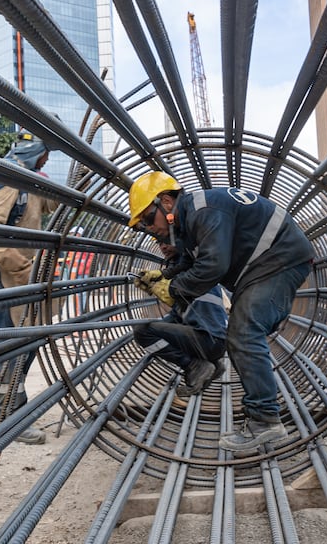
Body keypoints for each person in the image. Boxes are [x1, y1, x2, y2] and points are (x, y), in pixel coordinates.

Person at [128, 172, 315, 452]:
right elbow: (193, 259)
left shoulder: (203, 211)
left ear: (165, 202)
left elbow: (213, 264)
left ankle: (265, 420)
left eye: (147, 219)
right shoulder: (191, 221)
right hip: (264, 266)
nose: (149, 228)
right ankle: (261, 416)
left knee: (245, 331)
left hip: (279, 259)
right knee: (242, 332)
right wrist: (164, 275)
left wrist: (174, 288)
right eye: (143, 225)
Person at [0, 132, 55, 444]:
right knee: (10, 343)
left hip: (11, 271)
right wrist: (19, 265)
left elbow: (51, 203)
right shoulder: (9, 179)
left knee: (27, 339)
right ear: (36, 151)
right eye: (46, 152)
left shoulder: (28, 180)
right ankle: (5, 418)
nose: (48, 159)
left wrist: (77, 183)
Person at [132, 242, 229, 398]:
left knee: (142, 332)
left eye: (166, 241)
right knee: (152, 329)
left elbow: (181, 303)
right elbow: (178, 315)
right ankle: (213, 364)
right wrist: (161, 326)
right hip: (216, 341)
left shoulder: (189, 273)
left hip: (207, 340)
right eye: (158, 243)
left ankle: (194, 365)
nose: (163, 247)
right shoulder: (196, 268)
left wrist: (151, 329)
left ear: (179, 240)